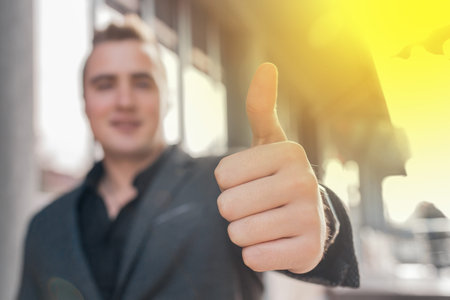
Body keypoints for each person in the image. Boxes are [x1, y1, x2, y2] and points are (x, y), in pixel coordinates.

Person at [18, 16, 359, 300]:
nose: (124, 100)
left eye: (142, 83)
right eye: (105, 84)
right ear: (85, 101)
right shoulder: (44, 227)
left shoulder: (226, 181)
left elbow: (289, 202)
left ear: (167, 98)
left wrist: (322, 220)